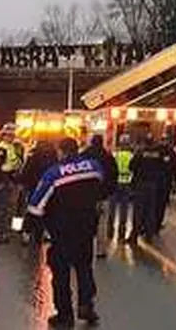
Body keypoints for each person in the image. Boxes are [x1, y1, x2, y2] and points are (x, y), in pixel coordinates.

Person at [28, 137, 105, 328]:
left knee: (61, 274)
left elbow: (36, 206)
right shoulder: (93, 167)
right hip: (86, 228)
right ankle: (86, 305)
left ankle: (65, 317)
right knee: (84, 268)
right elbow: (101, 187)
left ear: (61, 151)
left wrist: (30, 227)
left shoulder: (53, 174)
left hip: (62, 231)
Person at [129, 132, 176, 241]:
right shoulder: (158, 154)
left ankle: (135, 234)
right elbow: (164, 167)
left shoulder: (140, 152)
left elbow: (132, 166)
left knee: (138, 210)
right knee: (150, 210)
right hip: (153, 185)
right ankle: (149, 234)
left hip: (141, 184)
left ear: (144, 142)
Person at [82, 134, 118, 258]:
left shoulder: (84, 156)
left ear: (91, 142)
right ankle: (100, 250)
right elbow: (114, 176)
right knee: (101, 223)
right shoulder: (108, 157)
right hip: (102, 197)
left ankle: (84, 248)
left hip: (85, 197)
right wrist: (109, 192)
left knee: (85, 222)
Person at [0, 123, 25, 243]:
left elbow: (16, 162)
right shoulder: (2, 148)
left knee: (10, 209)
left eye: (12, 135)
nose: (11, 137)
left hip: (11, 179)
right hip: (3, 181)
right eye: (8, 135)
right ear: (3, 136)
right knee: (1, 210)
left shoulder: (11, 147)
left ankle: (7, 232)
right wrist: (3, 183)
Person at [19, 139, 57, 246]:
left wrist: (22, 182)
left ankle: (26, 232)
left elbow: (26, 171)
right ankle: (44, 233)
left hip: (34, 187)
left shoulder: (33, 156)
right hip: (49, 188)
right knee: (48, 210)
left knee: (31, 210)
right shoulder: (53, 156)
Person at [108, 135, 134, 240]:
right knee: (124, 208)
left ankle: (110, 230)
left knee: (112, 208)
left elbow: (111, 170)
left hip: (115, 184)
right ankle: (122, 231)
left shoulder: (115, 155)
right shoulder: (132, 156)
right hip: (127, 184)